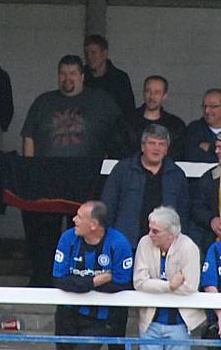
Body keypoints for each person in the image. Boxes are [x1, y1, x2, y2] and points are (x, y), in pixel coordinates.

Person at [20, 54, 124, 287]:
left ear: (82, 76)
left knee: (82, 230)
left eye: (73, 73)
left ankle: (80, 278)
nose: (68, 78)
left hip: (85, 177)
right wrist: (30, 169)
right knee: (45, 235)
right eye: (63, 73)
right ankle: (43, 282)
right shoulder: (43, 101)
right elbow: (29, 136)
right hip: (47, 177)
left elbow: (119, 133)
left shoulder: (101, 100)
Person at [53, 200, 133, 350]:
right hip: (68, 314)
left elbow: (121, 283)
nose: (74, 220)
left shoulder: (119, 243)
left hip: (103, 317)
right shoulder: (68, 238)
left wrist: (78, 284)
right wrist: (96, 281)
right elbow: (59, 280)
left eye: (79, 217)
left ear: (93, 225)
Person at [102, 125, 189, 248]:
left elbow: (184, 213)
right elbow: (108, 206)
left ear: (167, 150)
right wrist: (108, 240)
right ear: (143, 146)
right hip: (127, 244)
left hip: (164, 246)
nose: (156, 148)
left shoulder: (176, 175)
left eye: (161, 144)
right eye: (152, 143)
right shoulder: (123, 170)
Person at [134, 206, 206, 349]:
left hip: (179, 324)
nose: (150, 234)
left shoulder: (189, 247)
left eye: (155, 231)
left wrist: (154, 285)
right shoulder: (144, 242)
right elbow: (139, 282)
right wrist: (170, 285)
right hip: (149, 323)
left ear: (171, 235)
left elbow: (189, 287)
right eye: (150, 229)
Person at [126, 76, 186, 160]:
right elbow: (118, 150)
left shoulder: (175, 125)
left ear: (164, 96)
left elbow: (178, 154)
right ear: (143, 93)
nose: (151, 96)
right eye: (148, 91)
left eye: (157, 92)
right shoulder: (126, 121)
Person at [83, 34, 135, 118]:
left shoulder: (120, 79)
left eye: (93, 53)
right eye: (86, 53)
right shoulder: (80, 77)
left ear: (104, 53)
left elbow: (128, 111)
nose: (89, 57)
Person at [191, 133, 221, 254]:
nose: (217, 151)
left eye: (220, 147)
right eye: (216, 147)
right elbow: (196, 207)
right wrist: (211, 220)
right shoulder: (209, 178)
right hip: (215, 244)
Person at [185, 88, 221, 162]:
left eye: (213, 106)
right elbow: (191, 157)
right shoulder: (194, 129)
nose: (207, 110)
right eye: (204, 106)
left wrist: (210, 147)